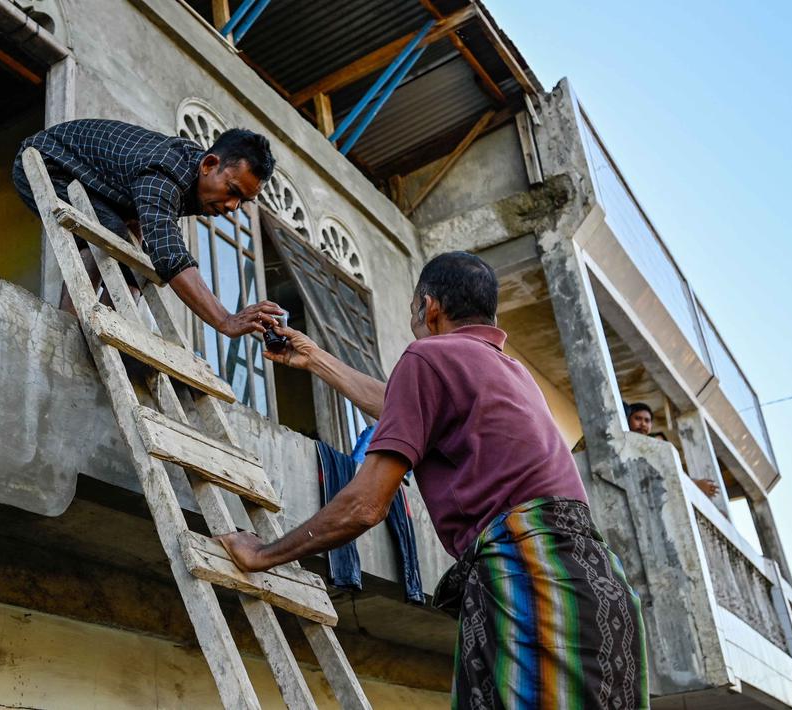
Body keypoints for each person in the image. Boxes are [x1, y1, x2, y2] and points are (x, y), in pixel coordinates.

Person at [217, 252, 649, 709]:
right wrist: (317, 359)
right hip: (603, 589)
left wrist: (263, 554)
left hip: (535, 580)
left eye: (413, 313)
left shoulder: (427, 355)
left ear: (430, 307)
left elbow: (366, 505)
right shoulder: (512, 372)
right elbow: (404, 410)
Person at [13, 119, 282, 338]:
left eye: (243, 201)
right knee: (110, 235)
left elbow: (154, 230)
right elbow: (169, 255)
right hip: (47, 162)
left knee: (133, 259)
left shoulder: (191, 180)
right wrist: (225, 320)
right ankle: (70, 328)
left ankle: (110, 328)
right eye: (232, 191)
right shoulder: (166, 171)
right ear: (209, 164)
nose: (233, 206)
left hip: (99, 188)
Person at [628, 402, 721, 498]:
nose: (643, 424)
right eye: (638, 418)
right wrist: (696, 484)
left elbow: (671, 470)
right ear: (628, 419)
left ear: (651, 425)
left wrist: (695, 483)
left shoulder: (657, 440)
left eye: (647, 421)